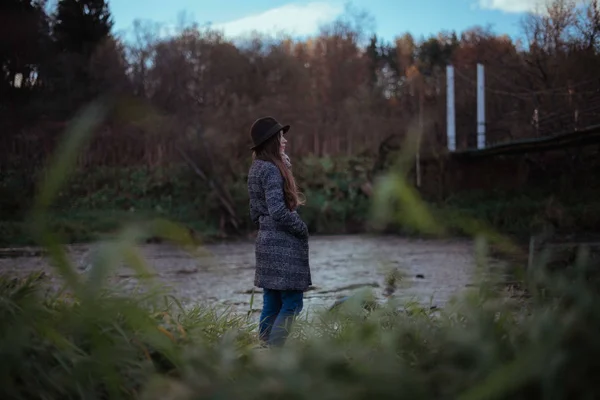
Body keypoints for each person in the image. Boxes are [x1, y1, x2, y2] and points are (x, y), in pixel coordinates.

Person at [247, 116, 311, 347]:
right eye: (280, 137)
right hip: (282, 244)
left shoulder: (257, 168)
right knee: (292, 303)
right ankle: (274, 353)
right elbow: (278, 211)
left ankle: (262, 351)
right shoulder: (272, 170)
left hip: (265, 241)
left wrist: (265, 229)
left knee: (272, 302)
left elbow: (255, 211)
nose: (284, 140)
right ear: (272, 141)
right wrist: (301, 228)